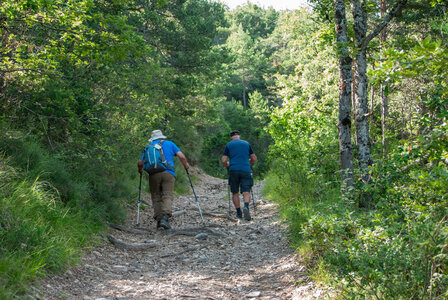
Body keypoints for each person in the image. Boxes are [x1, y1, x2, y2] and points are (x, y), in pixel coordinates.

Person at [138, 130, 190, 229]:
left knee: (156, 196)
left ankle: (158, 220)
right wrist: (186, 166)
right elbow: (182, 156)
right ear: (162, 137)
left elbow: (140, 162)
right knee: (167, 195)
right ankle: (165, 219)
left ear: (153, 138)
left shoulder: (148, 147)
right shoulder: (170, 144)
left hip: (153, 175)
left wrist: (140, 170)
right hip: (168, 173)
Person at [221, 130, 257, 221]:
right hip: (245, 169)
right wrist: (247, 162)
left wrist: (227, 166)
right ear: (239, 136)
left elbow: (224, 160)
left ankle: (239, 213)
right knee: (246, 191)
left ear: (231, 137)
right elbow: (254, 158)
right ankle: (246, 207)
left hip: (233, 170)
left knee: (235, 192)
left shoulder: (229, 145)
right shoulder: (246, 144)